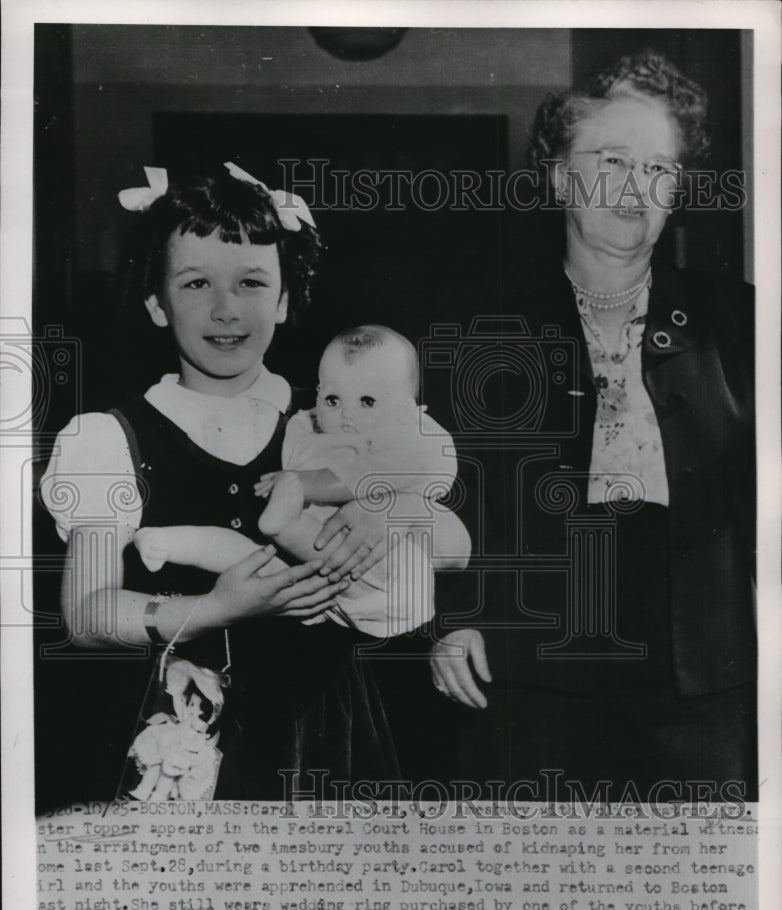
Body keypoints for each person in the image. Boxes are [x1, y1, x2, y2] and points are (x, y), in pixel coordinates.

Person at [41, 161, 447, 800]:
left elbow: (450, 547)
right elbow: (85, 614)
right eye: (197, 282)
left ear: (284, 300)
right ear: (156, 300)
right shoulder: (109, 438)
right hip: (177, 737)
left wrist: (384, 503)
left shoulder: (340, 419)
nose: (226, 309)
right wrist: (211, 610)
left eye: (252, 282)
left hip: (325, 735)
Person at [430, 50, 756, 802]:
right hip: (523, 665)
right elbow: (433, 490)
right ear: (556, 174)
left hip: (701, 681)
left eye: (660, 169)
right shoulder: (483, 322)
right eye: (612, 160)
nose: (636, 189)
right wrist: (446, 620)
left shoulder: (738, 320)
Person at [134, 323, 470, 637]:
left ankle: (280, 525)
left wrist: (303, 482)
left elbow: (361, 482)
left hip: (383, 578)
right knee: (251, 560)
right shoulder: (306, 426)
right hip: (307, 592)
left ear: (404, 408)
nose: (345, 414)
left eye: (367, 401)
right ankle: (171, 543)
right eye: (332, 400)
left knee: (296, 542)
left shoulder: (406, 436)